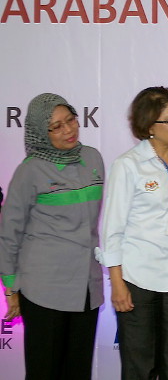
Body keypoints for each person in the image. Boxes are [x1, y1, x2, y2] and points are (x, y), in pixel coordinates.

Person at [96, 86, 168, 380]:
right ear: (149, 126)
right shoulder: (128, 165)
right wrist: (117, 283)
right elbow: (112, 230)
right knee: (140, 368)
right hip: (139, 280)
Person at [0, 93, 104, 379]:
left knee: (78, 370)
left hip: (87, 288)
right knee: (44, 371)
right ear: (40, 133)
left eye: (70, 120)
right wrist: (11, 287)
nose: (68, 130)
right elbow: (9, 233)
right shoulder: (29, 171)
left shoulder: (93, 158)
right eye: (56, 126)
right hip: (44, 289)